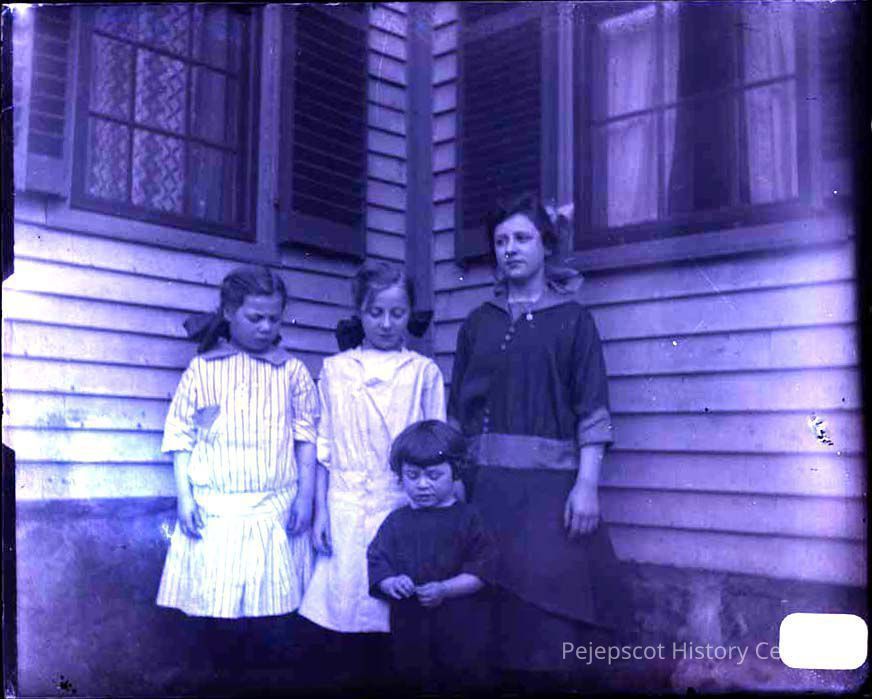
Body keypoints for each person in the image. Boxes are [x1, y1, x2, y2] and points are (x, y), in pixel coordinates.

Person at [448, 193, 634, 692]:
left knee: (545, 627)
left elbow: (592, 410)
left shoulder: (573, 320)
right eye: (501, 241)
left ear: (546, 246)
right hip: (485, 490)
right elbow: (458, 413)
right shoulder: (478, 323)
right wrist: (458, 482)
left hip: (549, 494)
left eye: (522, 238)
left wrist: (587, 487)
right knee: (487, 621)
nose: (510, 249)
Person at [155, 265, 318, 686]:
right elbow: (181, 437)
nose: (266, 327)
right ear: (229, 313)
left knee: (272, 615)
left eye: (274, 319)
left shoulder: (292, 372)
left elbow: (306, 439)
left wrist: (305, 499)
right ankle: (223, 680)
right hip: (217, 511)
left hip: (274, 510)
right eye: (255, 317)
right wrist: (185, 499)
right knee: (220, 612)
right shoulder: (203, 370)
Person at [297, 261, 446, 689]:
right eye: (375, 312)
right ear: (359, 313)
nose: (385, 323)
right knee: (344, 611)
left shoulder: (422, 372)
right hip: (345, 503)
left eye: (397, 313)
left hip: (402, 505)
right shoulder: (337, 370)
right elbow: (324, 447)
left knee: (395, 615)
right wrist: (322, 514)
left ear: (410, 314)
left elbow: (438, 447)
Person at [367, 419, 496, 693]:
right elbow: (378, 562)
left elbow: (482, 570)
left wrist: (445, 589)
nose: (423, 485)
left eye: (433, 476)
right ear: (401, 476)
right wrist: (392, 583)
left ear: (455, 472)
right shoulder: (396, 522)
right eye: (413, 476)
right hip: (411, 631)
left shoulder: (469, 518)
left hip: (462, 630)